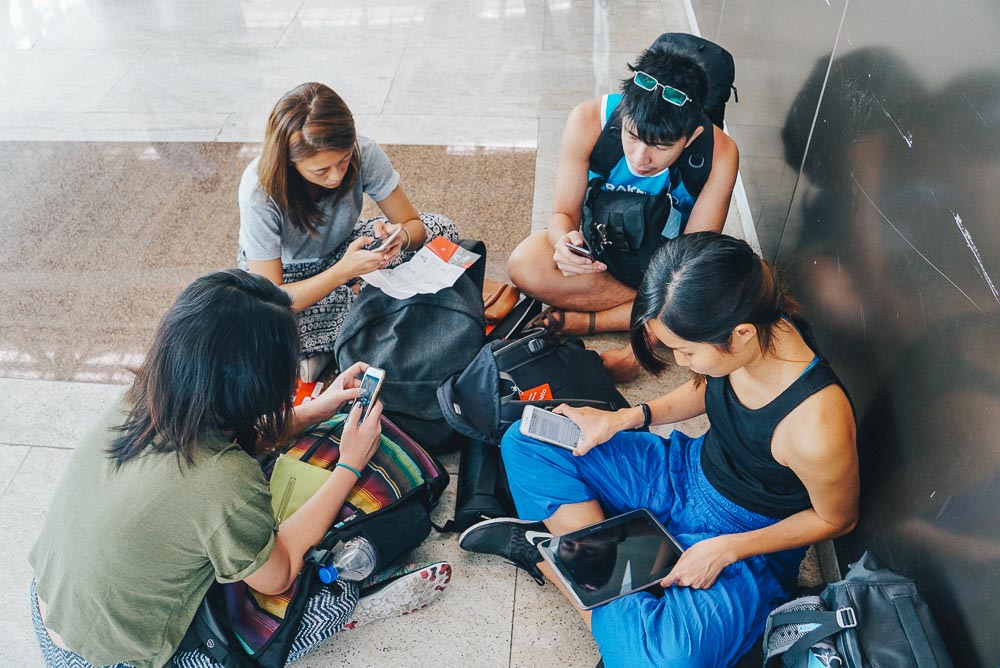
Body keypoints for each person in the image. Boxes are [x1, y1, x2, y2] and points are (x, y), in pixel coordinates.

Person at [461, 233, 859, 667]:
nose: (681, 363)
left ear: (740, 335)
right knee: (529, 439)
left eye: (686, 351)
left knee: (663, 661)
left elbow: (836, 519)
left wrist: (728, 550)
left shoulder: (816, 425)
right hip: (683, 471)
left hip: (744, 538)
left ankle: (557, 562)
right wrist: (625, 418)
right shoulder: (754, 325)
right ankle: (609, 574)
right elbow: (707, 388)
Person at [29, 270, 450, 668]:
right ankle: (358, 604)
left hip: (48, 607)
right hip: (114, 657)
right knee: (322, 594)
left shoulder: (142, 398)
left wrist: (310, 412)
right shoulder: (222, 480)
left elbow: (224, 439)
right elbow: (277, 574)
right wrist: (349, 466)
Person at [506, 39, 739, 381]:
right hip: (600, 257)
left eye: (660, 146)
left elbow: (690, 261)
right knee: (524, 265)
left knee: (716, 294)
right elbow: (562, 216)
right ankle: (652, 313)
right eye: (632, 136)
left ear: (690, 138)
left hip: (665, 267)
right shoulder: (589, 119)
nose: (640, 157)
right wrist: (564, 244)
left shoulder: (719, 153)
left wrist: (637, 350)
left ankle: (589, 321)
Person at [238, 82, 459, 382]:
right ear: (289, 161)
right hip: (288, 276)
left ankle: (342, 330)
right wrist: (343, 272)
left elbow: (415, 226)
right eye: (321, 171)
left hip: (344, 249)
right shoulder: (260, 192)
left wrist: (398, 237)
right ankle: (365, 307)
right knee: (260, 324)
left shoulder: (362, 152)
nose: (336, 176)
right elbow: (273, 296)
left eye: (342, 162)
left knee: (442, 229)